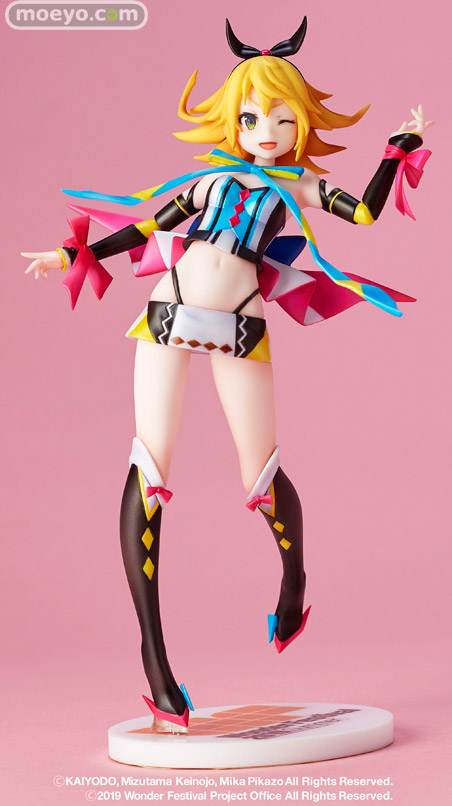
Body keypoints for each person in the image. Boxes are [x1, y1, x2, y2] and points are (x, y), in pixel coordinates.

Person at [22, 18, 432, 733]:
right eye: (251, 117)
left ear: (299, 123)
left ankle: (294, 582)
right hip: (167, 313)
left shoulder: (300, 184)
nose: (266, 131)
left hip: (241, 324)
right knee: (149, 466)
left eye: (281, 118)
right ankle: (155, 662)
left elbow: (364, 213)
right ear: (232, 119)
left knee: (261, 468)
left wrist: (396, 150)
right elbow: (148, 228)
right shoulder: (206, 178)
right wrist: (74, 254)